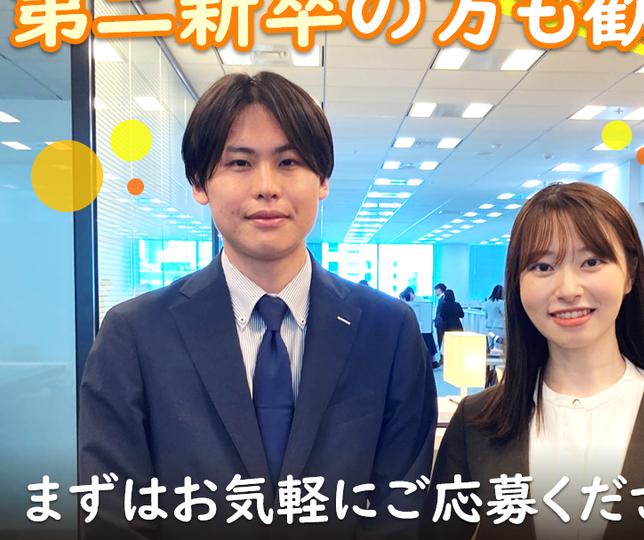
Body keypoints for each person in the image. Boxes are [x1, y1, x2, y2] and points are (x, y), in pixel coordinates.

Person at [79, 72, 437, 540]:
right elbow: (112, 513)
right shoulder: (134, 334)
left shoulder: (387, 331)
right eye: (240, 163)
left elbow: (402, 508)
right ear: (199, 182)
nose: (267, 186)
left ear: (322, 179)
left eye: (289, 161)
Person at [423, 182, 644, 540]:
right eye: (543, 266)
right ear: (517, 282)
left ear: (630, 273)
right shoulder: (476, 422)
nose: (568, 289)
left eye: (591, 262)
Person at [433, 283, 447, 353]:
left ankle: (442, 356)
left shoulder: (443, 299)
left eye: (436, 290)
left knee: (441, 342)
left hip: (441, 324)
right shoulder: (441, 299)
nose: (435, 292)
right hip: (440, 324)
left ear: (439, 289)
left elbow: (441, 313)